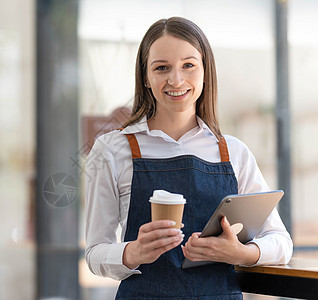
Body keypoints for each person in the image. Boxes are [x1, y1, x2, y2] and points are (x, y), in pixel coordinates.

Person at [84, 17, 293, 299]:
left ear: (205, 72)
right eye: (162, 68)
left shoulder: (234, 152)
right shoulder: (112, 150)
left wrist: (240, 252)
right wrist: (133, 252)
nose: (176, 80)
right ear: (146, 77)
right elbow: (95, 253)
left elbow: (281, 241)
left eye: (188, 65)